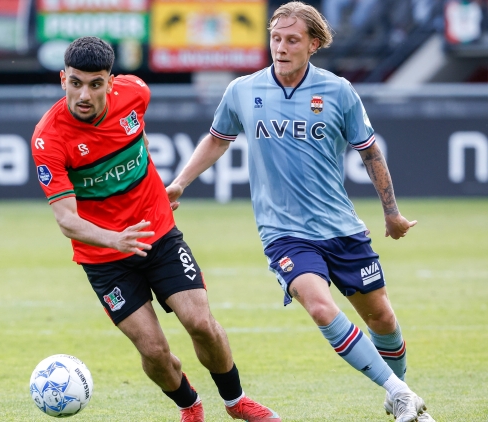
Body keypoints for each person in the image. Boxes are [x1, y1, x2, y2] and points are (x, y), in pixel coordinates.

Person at [166, 3, 435, 422]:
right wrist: (181, 182)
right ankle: (400, 393)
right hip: (284, 233)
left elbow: (369, 152)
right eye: (276, 38)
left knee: (381, 317)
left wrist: (392, 214)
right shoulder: (243, 90)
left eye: (292, 40)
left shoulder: (338, 91)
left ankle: (398, 392)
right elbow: (218, 139)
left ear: (314, 44)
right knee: (320, 307)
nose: (281, 47)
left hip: (340, 227)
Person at [31, 36, 281, 422]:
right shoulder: (48, 138)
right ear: (63, 79)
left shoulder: (135, 92)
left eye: (95, 84)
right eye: (76, 83)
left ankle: (236, 402)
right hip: (104, 257)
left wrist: (154, 190)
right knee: (153, 350)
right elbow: (66, 219)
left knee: (200, 323)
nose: (84, 94)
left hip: (157, 233)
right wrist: (116, 239)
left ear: (110, 82)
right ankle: (189, 405)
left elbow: (137, 136)